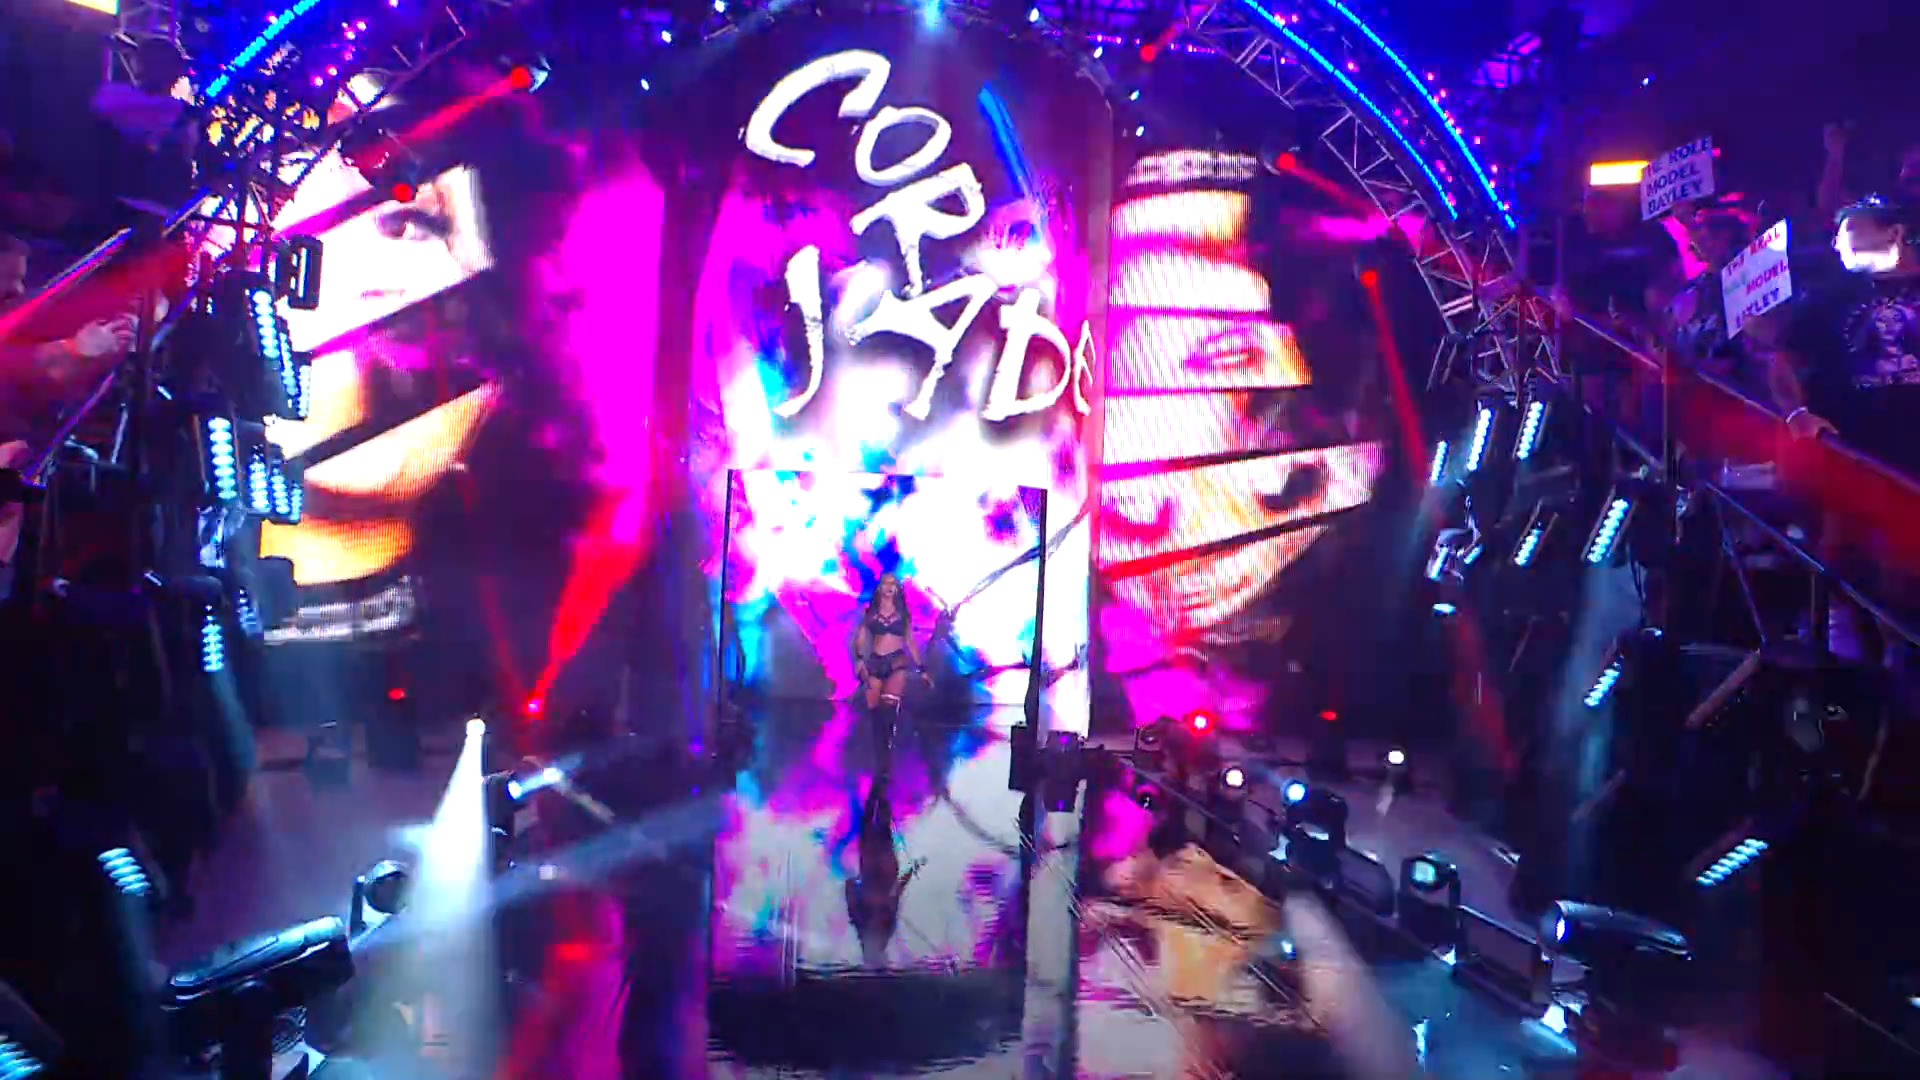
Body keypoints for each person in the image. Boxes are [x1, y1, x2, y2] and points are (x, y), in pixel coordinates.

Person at [851, 573, 929, 712]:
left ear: (897, 588)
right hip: (874, 662)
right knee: (873, 710)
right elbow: (861, 638)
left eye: (893, 584)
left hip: (896, 661)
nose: (889, 587)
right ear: (880, 588)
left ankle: (891, 724)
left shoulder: (903, 613)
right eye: (886, 583)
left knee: (889, 709)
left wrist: (922, 668)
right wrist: (859, 659)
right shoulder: (870, 612)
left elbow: (910, 641)